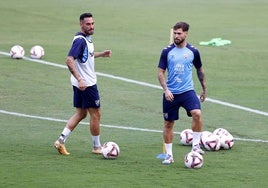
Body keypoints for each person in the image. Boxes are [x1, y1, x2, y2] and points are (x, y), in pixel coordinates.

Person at [54, 12, 112, 155]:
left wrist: (101, 54)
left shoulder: (86, 39)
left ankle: (60, 140)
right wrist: (80, 79)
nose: (91, 26)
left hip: (80, 83)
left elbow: (86, 56)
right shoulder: (80, 40)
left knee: (81, 113)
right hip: (87, 84)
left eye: (92, 23)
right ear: (81, 24)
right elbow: (69, 60)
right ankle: (97, 147)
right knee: (96, 114)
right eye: (88, 24)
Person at [157, 21, 207, 164]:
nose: (176, 36)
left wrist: (204, 88)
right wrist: (166, 90)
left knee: (197, 113)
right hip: (171, 93)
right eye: (175, 33)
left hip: (187, 91)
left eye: (179, 33)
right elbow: (160, 73)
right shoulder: (166, 51)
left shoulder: (193, 51)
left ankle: (196, 146)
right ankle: (169, 156)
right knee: (168, 123)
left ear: (186, 33)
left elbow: (200, 70)